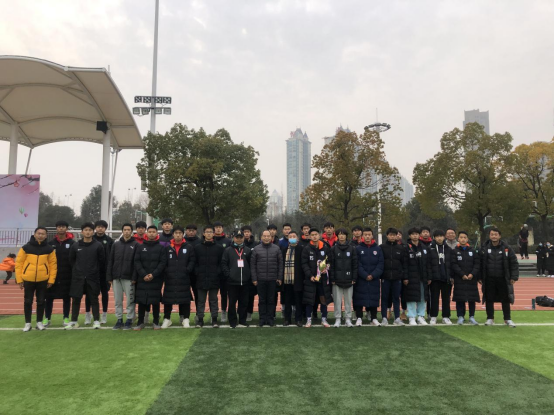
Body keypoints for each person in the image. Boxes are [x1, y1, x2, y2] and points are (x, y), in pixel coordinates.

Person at [15, 227, 57, 332]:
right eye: (38, 233)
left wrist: (51, 280)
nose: (40, 235)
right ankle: (27, 323)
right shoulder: (26, 248)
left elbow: (53, 265)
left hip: (43, 280)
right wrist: (19, 279)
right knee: (28, 301)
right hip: (28, 279)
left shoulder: (49, 249)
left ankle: (39, 322)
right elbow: (19, 264)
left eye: (43, 234)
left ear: (46, 236)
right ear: (34, 234)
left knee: (41, 301)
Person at [66, 223, 105, 330]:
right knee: (76, 299)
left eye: (90, 230)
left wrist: (93, 270)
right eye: (86, 230)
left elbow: (101, 261)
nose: (88, 232)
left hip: (93, 277)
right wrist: (78, 270)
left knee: (94, 299)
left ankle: (96, 320)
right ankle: (74, 321)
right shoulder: (75, 245)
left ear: (93, 232)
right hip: (78, 278)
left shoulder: (98, 245)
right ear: (82, 232)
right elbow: (71, 260)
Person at [481, 228, 519, 328]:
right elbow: (480, 263)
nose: (494, 236)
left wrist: (514, 276)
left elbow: (514, 263)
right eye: (492, 234)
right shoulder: (484, 248)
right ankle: (490, 318)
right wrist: (480, 277)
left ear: (499, 236)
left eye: (496, 234)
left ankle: (507, 319)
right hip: (489, 278)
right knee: (489, 299)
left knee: (505, 299)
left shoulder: (507, 248)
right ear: (489, 236)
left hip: (503, 278)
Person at [133, 226, 167, 331]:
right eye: (150, 232)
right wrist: (143, 274)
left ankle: (156, 321)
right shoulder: (140, 247)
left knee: (155, 300)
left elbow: (162, 263)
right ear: (146, 233)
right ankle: (140, 322)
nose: (151, 233)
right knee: (142, 300)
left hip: (156, 279)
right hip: (142, 278)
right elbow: (137, 261)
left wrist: (153, 274)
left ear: (157, 234)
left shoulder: (161, 248)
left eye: (153, 232)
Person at [162, 226, 195, 329]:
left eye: (180, 233)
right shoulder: (168, 248)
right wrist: (167, 271)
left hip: (184, 277)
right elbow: (164, 262)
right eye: (176, 233)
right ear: (173, 234)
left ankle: (186, 319)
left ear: (183, 234)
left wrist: (187, 270)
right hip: (170, 278)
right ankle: (167, 319)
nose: (178, 235)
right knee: (168, 299)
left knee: (185, 299)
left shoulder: (188, 247)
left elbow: (192, 261)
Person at [107, 223, 137, 331]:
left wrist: (134, 277)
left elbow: (136, 263)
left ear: (131, 231)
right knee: (118, 301)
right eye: (125, 229)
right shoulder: (116, 245)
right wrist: (109, 276)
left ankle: (129, 319)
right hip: (116, 277)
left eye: (129, 230)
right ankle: (119, 319)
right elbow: (111, 261)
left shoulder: (136, 244)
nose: (127, 231)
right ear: (122, 231)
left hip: (129, 278)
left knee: (130, 300)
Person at [44, 221, 75, 327]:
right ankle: (47, 318)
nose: (61, 228)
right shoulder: (50, 243)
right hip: (53, 275)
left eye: (63, 227)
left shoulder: (72, 243)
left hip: (67, 275)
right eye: (59, 227)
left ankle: (66, 318)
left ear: (66, 228)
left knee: (67, 297)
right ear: (56, 229)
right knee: (49, 297)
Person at [194, 225, 225, 328]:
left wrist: (217, 272)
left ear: (213, 234)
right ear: (203, 233)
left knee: (213, 300)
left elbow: (221, 263)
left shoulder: (219, 248)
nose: (209, 234)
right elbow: (194, 262)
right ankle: (200, 320)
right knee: (201, 301)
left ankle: (214, 320)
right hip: (201, 278)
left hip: (214, 278)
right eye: (207, 232)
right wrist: (197, 272)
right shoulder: (197, 247)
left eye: (210, 232)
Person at [302, 228, 333, 328]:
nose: (314, 236)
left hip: (322, 279)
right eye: (312, 235)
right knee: (310, 300)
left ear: (319, 235)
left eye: (316, 234)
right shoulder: (307, 249)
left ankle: (324, 319)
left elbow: (330, 261)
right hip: (311, 280)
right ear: (310, 236)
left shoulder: (325, 247)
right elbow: (304, 264)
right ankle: (308, 320)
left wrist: (326, 268)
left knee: (323, 299)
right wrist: (310, 275)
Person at [252, 230, 283, 327]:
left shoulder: (276, 248)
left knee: (271, 300)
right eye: (264, 236)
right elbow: (253, 265)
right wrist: (254, 278)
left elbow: (280, 264)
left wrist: (279, 277)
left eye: (268, 236)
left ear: (271, 237)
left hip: (273, 279)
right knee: (261, 300)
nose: (266, 238)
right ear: (261, 237)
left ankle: (270, 319)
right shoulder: (256, 249)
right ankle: (262, 319)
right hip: (260, 279)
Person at [222, 230, 252, 329]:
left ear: (243, 238)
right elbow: (224, 264)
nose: (239, 239)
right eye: (237, 237)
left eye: (241, 237)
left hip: (245, 281)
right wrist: (229, 275)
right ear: (233, 238)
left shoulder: (247, 250)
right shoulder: (228, 250)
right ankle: (232, 321)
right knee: (232, 303)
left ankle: (242, 320)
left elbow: (251, 264)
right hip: (232, 282)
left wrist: (248, 275)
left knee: (244, 302)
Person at [354, 228, 384, 327]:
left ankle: (374, 318)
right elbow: (357, 264)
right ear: (362, 236)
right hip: (361, 279)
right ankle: (359, 317)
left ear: (372, 236)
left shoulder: (378, 249)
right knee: (359, 298)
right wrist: (364, 275)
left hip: (374, 279)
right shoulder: (358, 248)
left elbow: (380, 264)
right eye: (365, 235)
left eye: (369, 234)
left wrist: (373, 275)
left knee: (374, 297)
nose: (367, 236)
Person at [451, 231, 481, 325]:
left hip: (471, 279)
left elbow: (477, 264)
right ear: (458, 239)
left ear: (467, 239)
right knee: (460, 298)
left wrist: (472, 274)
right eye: (461, 237)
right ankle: (460, 316)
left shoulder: (473, 251)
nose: (463, 239)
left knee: (472, 298)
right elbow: (454, 264)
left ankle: (472, 316)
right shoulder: (455, 251)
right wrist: (462, 274)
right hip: (460, 279)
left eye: (464, 237)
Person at [330, 228, 358, 328]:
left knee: (348, 300)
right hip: (337, 280)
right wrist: (332, 278)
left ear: (346, 236)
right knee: (337, 301)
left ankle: (348, 319)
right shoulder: (333, 249)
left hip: (349, 279)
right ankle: (337, 318)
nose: (341, 236)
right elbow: (331, 265)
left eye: (343, 234)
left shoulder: (352, 248)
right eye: (340, 234)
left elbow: (355, 264)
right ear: (337, 236)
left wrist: (354, 278)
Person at [87, 220, 113, 325]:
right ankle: (88, 314)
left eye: (102, 227)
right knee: (90, 293)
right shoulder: (90, 239)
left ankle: (104, 314)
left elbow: (112, 257)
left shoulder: (109, 241)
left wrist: (110, 272)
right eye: (98, 227)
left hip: (104, 272)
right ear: (95, 228)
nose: (100, 228)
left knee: (104, 293)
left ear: (105, 228)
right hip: (92, 272)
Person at [379, 228, 407, 327]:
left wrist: (403, 276)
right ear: (387, 235)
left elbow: (404, 263)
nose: (392, 236)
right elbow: (380, 262)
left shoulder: (401, 248)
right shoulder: (382, 247)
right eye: (390, 235)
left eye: (394, 235)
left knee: (396, 298)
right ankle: (384, 318)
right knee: (384, 298)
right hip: (385, 278)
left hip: (397, 278)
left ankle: (397, 318)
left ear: (396, 236)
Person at [405, 228, 431, 326]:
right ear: (410, 236)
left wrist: (429, 277)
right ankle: (412, 317)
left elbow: (428, 264)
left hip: (423, 277)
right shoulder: (406, 248)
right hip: (411, 277)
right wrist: (405, 277)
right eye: (413, 234)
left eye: (416, 234)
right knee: (411, 297)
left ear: (419, 235)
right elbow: (404, 264)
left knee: (423, 297)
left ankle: (421, 316)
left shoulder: (424, 248)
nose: (415, 236)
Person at [428, 230, 453, 325]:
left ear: (444, 237)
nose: (439, 238)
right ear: (434, 237)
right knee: (434, 298)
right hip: (435, 278)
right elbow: (428, 264)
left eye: (441, 236)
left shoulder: (448, 249)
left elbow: (451, 264)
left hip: (446, 278)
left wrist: (451, 276)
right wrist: (430, 277)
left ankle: (446, 317)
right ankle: (433, 316)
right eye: (437, 236)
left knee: (446, 298)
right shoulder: (430, 249)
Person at [281, 231, 305, 327]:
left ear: (297, 238)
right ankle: (287, 319)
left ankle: (298, 319)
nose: (292, 238)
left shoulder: (301, 249)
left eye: (294, 236)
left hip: (297, 279)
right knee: (287, 301)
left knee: (298, 301)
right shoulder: (284, 249)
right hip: (286, 279)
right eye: (290, 236)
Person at [214, 221, 232, 323]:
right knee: (213, 295)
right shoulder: (211, 240)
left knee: (225, 294)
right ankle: (214, 313)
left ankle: (224, 311)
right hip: (213, 272)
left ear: (222, 228)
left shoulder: (228, 241)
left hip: (225, 273)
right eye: (216, 227)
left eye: (220, 227)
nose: (218, 229)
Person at [185, 224, 202, 325]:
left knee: (198, 295)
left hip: (197, 274)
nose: (191, 232)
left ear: (196, 231)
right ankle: (184, 316)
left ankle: (198, 315)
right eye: (189, 230)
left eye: (193, 230)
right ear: (186, 231)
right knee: (185, 295)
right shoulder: (182, 241)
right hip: (185, 273)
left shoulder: (200, 241)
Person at [242, 225, 258, 322]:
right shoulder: (239, 243)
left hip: (252, 273)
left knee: (251, 295)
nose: (246, 233)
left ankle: (249, 313)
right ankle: (242, 312)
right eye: (245, 232)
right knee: (242, 295)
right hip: (241, 273)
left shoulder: (256, 244)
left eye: (248, 232)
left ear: (251, 233)